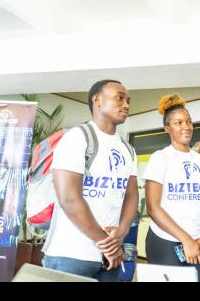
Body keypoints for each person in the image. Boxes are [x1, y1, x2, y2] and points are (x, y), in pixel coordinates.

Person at [42, 79, 139, 282]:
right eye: (119, 98)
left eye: (128, 100)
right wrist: (107, 243)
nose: (126, 105)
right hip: (71, 255)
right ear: (97, 100)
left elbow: (131, 196)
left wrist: (120, 233)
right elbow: (69, 198)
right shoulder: (77, 137)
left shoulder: (128, 149)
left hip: (108, 257)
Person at [143, 93, 200, 282]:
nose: (186, 127)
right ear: (167, 128)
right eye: (178, 122)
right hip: (165, 241)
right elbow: (153, 207)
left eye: (188, 122)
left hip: (198, 241)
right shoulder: (160, 158)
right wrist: (186, 240)